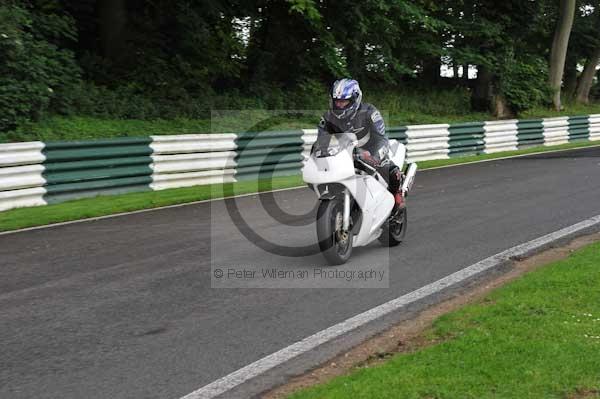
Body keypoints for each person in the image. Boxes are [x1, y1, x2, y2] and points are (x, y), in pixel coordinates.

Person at [317, 78, 404, 209]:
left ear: (355, 100)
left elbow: (381, 138)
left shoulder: (370, 112)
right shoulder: (328, 117)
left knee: (389, 169)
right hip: (344, 155)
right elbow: (322, 140)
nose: (340, 105)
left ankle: (398, 198)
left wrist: (373, 155)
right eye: (337, 102)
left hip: (369, 151)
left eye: (344, 101)